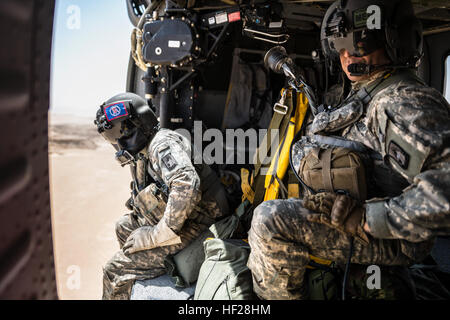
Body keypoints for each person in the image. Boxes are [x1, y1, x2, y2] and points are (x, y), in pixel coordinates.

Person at [247, 0, 450, 300]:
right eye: (338, 44)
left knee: (270, 220)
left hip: (388, 237)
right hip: (358, 222)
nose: (346, 55)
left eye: (359, 43)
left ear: (395, 41)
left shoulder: (400, 102)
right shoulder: (366, 90)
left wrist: (370, 217)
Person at [95, 92, 229, 299]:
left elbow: (186, 184)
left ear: (140, 125)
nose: (119, 143)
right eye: (114, 137)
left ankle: (134, 270)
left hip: (201, 222)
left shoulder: (162, 144)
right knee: (123, 227)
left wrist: (155, 236)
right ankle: (142, 271)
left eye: (123, 133)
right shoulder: (144, 152)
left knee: (115, 270)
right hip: (186, 219)